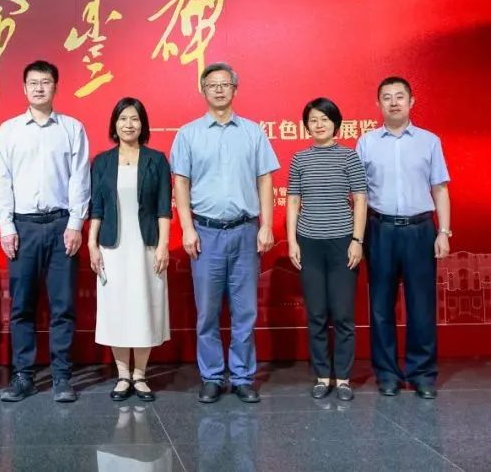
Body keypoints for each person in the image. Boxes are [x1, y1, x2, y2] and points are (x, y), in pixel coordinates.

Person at [170, 62, 279, 404]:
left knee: (245, 311)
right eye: (212, 85)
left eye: (225, 84)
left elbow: (265, 179)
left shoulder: (253, 132)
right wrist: (187, 228)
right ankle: (212, 376)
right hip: (206, 233)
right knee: (207, 312)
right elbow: (181, 183)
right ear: (202, 90)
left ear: (235, 89)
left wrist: (266, 225)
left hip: (245, 231)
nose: (218, 89)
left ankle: (243, 377)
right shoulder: (188, 134)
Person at [0, 60, 91, 403]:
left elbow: (80, 179)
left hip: (62, 225)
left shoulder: (72, 128)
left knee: (63, 305)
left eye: (45, 82)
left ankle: (62, 375)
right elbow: (1, 181)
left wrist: (76, 224)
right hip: (23, 227)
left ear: (55, 87)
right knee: (22, 305)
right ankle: (23, 375)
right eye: (32, 82)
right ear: (24, 88)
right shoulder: (9, 130)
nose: (38, 87)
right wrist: (6, 226)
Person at [356, 76, 451, 399]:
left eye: (400, 96)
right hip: (379, 229)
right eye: (387, 97)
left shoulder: (429, 141)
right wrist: (359, 235)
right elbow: (358, 195)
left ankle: (422, 373)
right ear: (378, 104)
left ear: (411, 102)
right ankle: (386, 374)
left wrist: (443, 231)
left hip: (420, 230)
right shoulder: (366, 143)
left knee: (421, 305)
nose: (393, 102)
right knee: (381, 306)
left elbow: (440, 189)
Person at [87, 97, 172, 402]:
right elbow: (96, 207)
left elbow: (163, 208)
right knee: (117, 308)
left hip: (146, 246)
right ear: (114, 124)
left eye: (134, 119)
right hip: (112, 247)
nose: (128, 124)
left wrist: (163, 245)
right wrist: (92, 243)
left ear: (142, 124)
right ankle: (123, 375)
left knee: (144, 306)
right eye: (123, 118)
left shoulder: (156, 160)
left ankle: (140, 375)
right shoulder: (102, 162)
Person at [286, 97, 367, 402]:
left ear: (336, 123)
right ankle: (322, 376)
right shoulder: (299, 159)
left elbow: (360, 199)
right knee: (317, 314)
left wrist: (357, 240)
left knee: (343, 314)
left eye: (324, 119)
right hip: (309, 242)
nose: (319, 124)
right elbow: (293, 201)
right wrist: (292, 241)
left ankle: (343, 378)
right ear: (306, 126)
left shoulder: (349, 157)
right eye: (313, 120)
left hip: (342, 243)